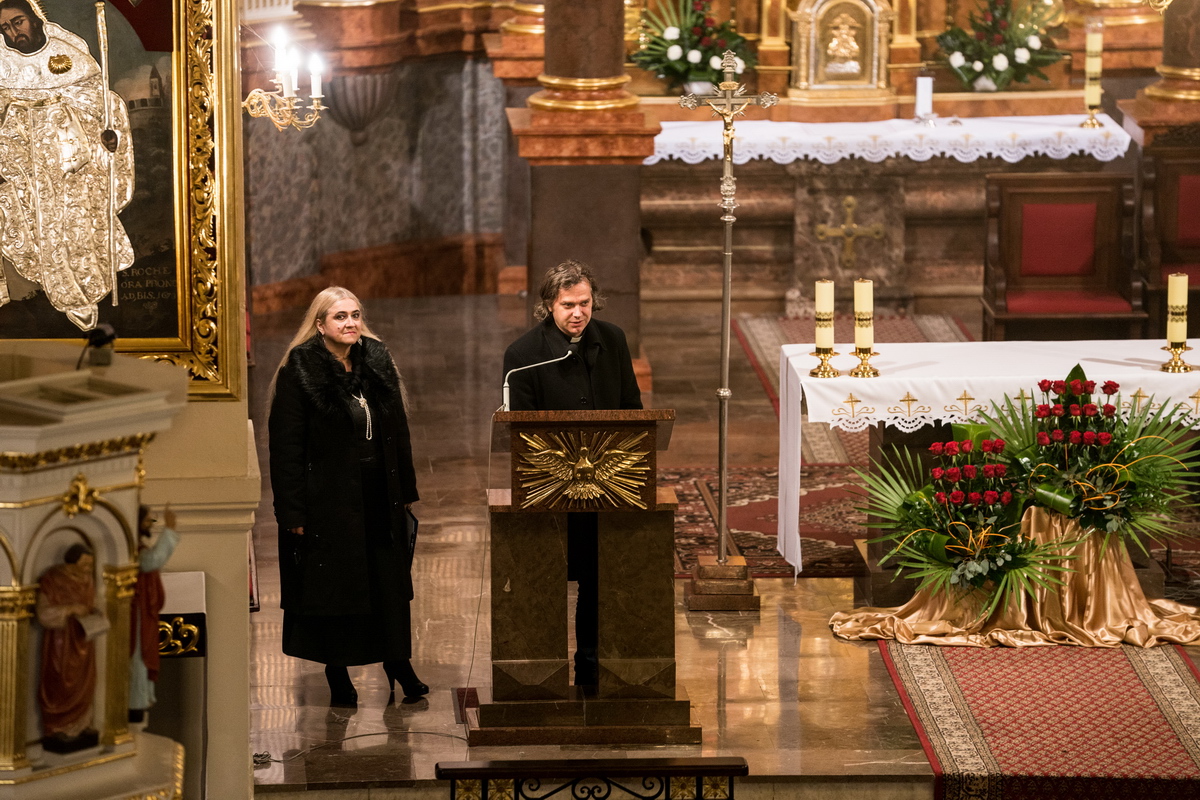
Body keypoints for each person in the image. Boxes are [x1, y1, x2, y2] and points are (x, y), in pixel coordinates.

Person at [269, 286, 427, 707]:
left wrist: (406, 490)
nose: (351, 323)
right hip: (329, 501)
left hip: (380, 493)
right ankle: (336, 671)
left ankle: (398, 662)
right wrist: (292, 512)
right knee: (337, 587)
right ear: (320, 324)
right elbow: (285, 449)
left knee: (388, 585)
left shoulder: (377, 360)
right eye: (340, 316)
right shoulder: (299, 371)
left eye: (355, 314)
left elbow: (399, 432)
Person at [502, 260, 642, 686]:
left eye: (585, 303)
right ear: (549, 305)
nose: (578, 313)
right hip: (550, 488)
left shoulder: (612, 340)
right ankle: (539, 672)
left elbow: (632, 409)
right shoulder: (522, 356)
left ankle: (591, 665)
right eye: (568, 305)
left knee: (600, 577)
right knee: (547, 575)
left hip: (609, 485)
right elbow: (521, 434)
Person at [0, 0, 135, 331]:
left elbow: (102, 103)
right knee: (37, 229)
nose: (14, 32)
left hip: (72, 163)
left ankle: (86, 291)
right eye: (5, 28)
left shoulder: (67, 53)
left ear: (35, 19)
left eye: (18, 22)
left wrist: (108, 134)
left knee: (77, 227)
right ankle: (61, 295)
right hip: (27, 166)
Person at [37, 543, 102, 753]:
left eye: (90, 565)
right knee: (60, 680)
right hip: (61, 640)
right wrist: (70, 609)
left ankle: (81, 725)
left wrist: (95, 612)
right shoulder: (53, 580)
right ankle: (57, 727)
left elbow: (91, 603)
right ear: (71, 563)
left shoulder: (87, 579)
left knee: (86, 681)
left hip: (84, 639)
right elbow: (43, 613)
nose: (87, 569)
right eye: (84, 565)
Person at [129, 505, 180, 724]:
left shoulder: (136, 546)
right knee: (137, 660)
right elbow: (151, 561)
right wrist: (169, 530)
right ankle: (134, 705)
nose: (150, 524)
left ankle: (139, 703)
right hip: (135, 616)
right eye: (147, 520)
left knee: (142, 658)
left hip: (142, 612)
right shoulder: (132, 548)